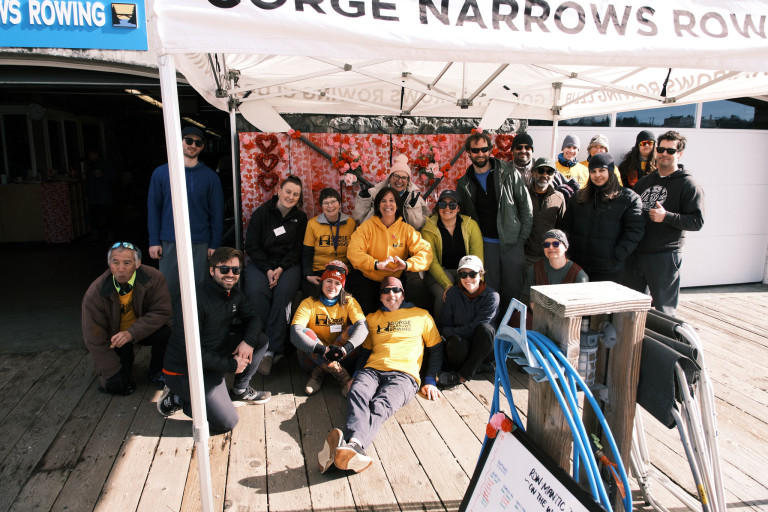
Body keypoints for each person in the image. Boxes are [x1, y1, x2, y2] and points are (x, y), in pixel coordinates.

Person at [317, 276, 443, 474]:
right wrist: (356, 375)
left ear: (403, 295)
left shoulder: (421, 315)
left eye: (396, 290)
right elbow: (365, 352)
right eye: (386, 291)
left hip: (405, 376)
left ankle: (351, 446)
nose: (391, 294)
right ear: (381, 297)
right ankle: (353, 449)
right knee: (357, 393)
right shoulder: (373, 318)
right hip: (372, 370)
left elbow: (436, 349)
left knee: (380, 404)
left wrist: (430, 380)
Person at [158, 247, 271, 433]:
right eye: (224, 269)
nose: (230, 274)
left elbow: (253, 318)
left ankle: (240, 391)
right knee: (227, 423)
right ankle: (177, 399)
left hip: (214, 357)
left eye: (235, 270)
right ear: (212, 271)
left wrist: (248, 341)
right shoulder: (194, 301)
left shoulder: (234, 294)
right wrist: (231, 365)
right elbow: (191, 352)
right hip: (185, 370)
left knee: (259, 339)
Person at [624, 131, 705, 315]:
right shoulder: (644, 182)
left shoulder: (688, 185)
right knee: (631, 310)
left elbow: (697, 221)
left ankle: (666, 343)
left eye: (670, 150)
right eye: (661, 149)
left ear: (680, 153)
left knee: (664, 311)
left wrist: (666, 216)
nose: (664, 154)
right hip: (637, 255)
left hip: (665, 256)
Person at [147, 126, 224, 318]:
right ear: (179, 141)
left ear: (203, 147)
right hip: (170, 240)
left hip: (200, 241)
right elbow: (153, 208)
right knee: (169, 288)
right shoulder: (161, 173)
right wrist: (154, 240)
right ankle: (172, 331)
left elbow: (216, 213)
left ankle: (196, 331)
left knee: (198, 288)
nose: (193, 145)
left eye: (198, 142)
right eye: (188, 140)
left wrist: (214, 244)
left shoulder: (210, 177)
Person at [82, 242, 172, 395]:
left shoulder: (154, 278)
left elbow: (161, 312)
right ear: (109, 264)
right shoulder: (95, 292)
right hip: (115, 338)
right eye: (115, 262)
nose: (121, 268)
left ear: (137, 264)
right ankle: (124, 360)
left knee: (165, 331)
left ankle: (157, 370)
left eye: (127, 263)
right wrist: (111, 373)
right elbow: (94, 338)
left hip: (141, 330)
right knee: (117, 385)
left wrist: (131, 333)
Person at [456, 130, 533, 310]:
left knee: (514, 290)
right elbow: (465, 216)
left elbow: (525, 206)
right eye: (475, 150)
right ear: (469, 153)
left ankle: (514, 331)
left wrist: (521, 238)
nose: (480, 154)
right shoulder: (464, 183)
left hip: (512, 242)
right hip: (484, 244)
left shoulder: (508, 172)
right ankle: (494, 331)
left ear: (490, 150)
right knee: (491, 291)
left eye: (484, 149)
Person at [244, 175, 308, 376]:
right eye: (288, 191)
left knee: (283, 295)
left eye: (295, 194)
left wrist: (280, 268)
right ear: (279, 191)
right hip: (262, 264)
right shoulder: (261, 213)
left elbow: (298, 249)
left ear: (299, 198)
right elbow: (252, 246)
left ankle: (271, 350)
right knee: (256, 291)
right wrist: (268, 270)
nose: (290, 196)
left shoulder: (301, 218)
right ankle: (258, 344)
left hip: (287, 266)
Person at [347, 187, 433, 315]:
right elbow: (353, 252)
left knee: (394, 318)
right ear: (378, 205)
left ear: (398, 205)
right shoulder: (366, 227)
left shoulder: (406, 229)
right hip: (367, 280)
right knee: (368, 318)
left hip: (393, 283)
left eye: (392, 200)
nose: (388, 204)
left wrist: (407, 264)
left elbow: (426, 253)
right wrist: (376, 264)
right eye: (383, 201)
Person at [562, 153, 645, 283]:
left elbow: (634, 232)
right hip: (579, 265)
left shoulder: (628, 198)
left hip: (609, 268)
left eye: (602, 170)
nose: (597, 175)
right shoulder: (578, 197)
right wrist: (570, 251)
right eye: (593, 171)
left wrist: (616, 255)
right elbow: (566, 225)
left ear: (610, 172)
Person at [290, 261, 368, 396]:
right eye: (329, 281)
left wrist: (345, 349)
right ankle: (343, 377)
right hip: (311, 359)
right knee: (305, 332)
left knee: (353, 329)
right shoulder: (308, 303)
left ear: (342, 286)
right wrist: (324, 350)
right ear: (322, 282)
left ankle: (318, 373)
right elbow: (295, 333)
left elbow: (363, 327)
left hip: (341, 356)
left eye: (337, 283)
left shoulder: (349, 301)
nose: (332, 286)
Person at [436, 255, 500, 388]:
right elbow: (445, 322)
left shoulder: (492, 296)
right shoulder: (453, 293)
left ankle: (461, 376)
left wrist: (450, 331)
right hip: (463, 346)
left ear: (481, 274)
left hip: (484, 348)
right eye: (463, 274)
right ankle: (479, 367)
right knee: (454, 344)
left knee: (486, 329)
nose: (468, 278)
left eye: (472, 274)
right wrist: (449, 332)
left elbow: (477, 326)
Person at [420, 189, 483, 322]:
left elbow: (477, 258)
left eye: (452, 205)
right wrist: (448, 285)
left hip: (465, 271)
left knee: (472, 291)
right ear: (438, 208)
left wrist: (475, 279)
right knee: (443, 294)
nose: (447, 208)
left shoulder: (470, 225)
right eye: (443, 204)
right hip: (439, 272)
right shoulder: (429, 228)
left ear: (459, 208)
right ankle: (440, 335)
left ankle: (468, 330)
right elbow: (432, 261)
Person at [521, 230, 588, 320]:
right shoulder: (534, 270)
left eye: (556, 244)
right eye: (546, 245)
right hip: (538, 321)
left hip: (567, 324)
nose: (551, 247)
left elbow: (582, 309)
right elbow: (526, 298)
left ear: (565, 247)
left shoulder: (579, 275)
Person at [352, 154, 430, 230]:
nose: (400, 181)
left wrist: (413, 209)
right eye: (396, 176)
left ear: (408, 181)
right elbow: (359, 219)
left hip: (404, 238)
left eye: (404, 178)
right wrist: (364, 201)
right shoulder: (375, 193)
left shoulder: (414, 198)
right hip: (378, 236)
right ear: (390, 178)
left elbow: (419, 226)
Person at [302, 187, 356, 296]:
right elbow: (306, 253)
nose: (330, 206)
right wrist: (308, 275)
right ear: (321, 206)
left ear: (339, 204)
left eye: (333, 202)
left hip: (343, 271)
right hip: (320, 270)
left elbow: (355, 251)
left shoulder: (350, 223)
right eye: (326, 203)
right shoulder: (312, 224)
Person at [524, 157, 566, 267]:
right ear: (533, 173)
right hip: (526, 256)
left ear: (554, 175)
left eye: (550, 172)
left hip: (550, 255)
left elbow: (562, 228)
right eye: (541, 171)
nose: (545, 175)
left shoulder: (559, 197)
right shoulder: (523, 195)